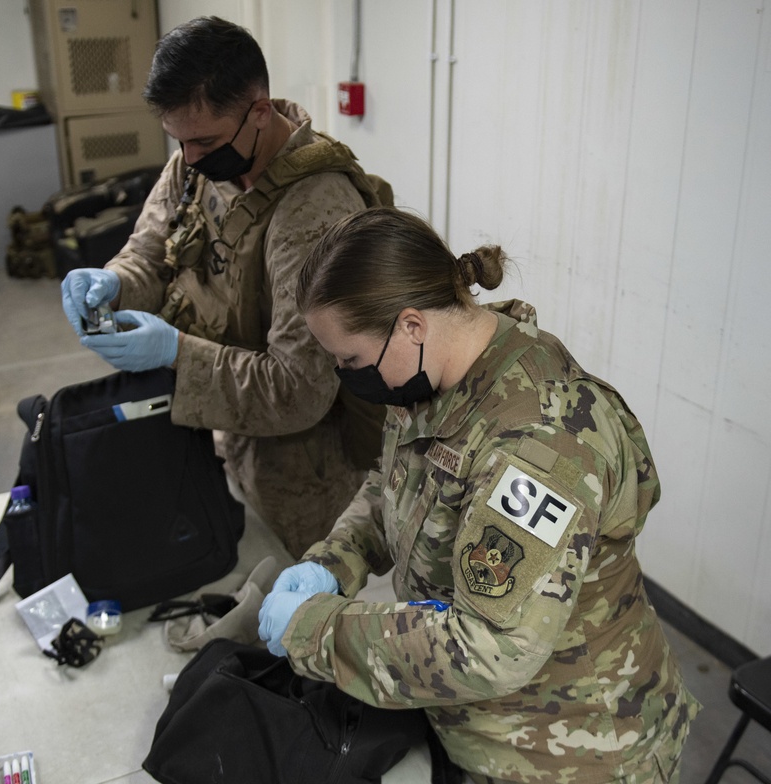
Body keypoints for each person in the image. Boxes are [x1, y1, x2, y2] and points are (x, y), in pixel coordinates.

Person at [258, 207, 700, 783]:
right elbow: (392, 483)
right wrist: (332, 562)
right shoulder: (431, 373)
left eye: (351, 360)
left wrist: (317, 631)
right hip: (472, 726)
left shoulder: (541, 441)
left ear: (411, 325)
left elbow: (492, 646)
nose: (347, 374)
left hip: (571, 751)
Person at [60, 16, 388, 558]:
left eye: (202, 141)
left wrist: (173, 353)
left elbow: (297, 390)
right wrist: (112, 282)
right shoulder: (201, 157)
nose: (188, 159)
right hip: (215, 427)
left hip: (297, 472)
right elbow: (151, 251)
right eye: (178, 141)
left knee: (288, 610)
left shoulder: (315, 213)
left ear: (260, 111)